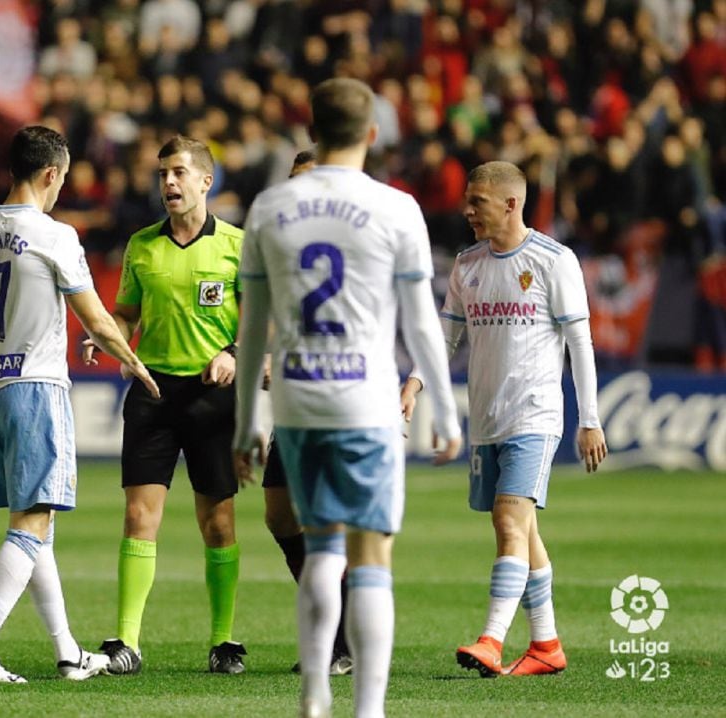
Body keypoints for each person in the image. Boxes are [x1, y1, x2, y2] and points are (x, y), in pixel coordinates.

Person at [233, 78, 463, 718]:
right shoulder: (397, 209)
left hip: (299, 402)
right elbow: (420, 321)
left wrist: (250, 421)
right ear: (371, 134)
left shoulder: (270, 208)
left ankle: (314, 698)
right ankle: (367, 710)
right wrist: (445, 406)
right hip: (366, 400)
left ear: (311, 130)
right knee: (370, 555)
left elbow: (254, 328)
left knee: (321, 547)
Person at [0, 125, 161, 684]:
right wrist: (135, 364)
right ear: (49, 174)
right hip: (38, 389)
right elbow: (97, 320)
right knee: (31, 524)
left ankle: (68, 653)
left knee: (37, 526)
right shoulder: (56, 236)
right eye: (62, 177)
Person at [403, 160, 608, 678]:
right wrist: (415, 381)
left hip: (534, 415)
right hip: (487, 418)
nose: (467, 210)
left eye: (478, 202)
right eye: (468, 200)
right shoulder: (468, 263)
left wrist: (591, 418)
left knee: (508, 521)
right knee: (523, 530)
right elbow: (447, 337)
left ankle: (491, 640)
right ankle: (546, 646)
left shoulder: (552, 261)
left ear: (512, 204)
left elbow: (580, 342)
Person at [82, 135, 247, 675]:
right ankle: (126, 641)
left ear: (206, 180)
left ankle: (224, 641)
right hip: (152, 391)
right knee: (137, 516)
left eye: (179, 173)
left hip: (212, 396)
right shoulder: (141, 246)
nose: (168, 183)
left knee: (218, 523)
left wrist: (234, 352)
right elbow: (127, 312)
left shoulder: (239, 247)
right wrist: (110, 336)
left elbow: (264, 322)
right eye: (162, 175)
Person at [259, 148, 353, 677]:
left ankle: (340, 641)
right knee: (278, 513)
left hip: (333, 398)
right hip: (292, 401)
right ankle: (337, 625)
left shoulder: (353, 240)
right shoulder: (286, 243)